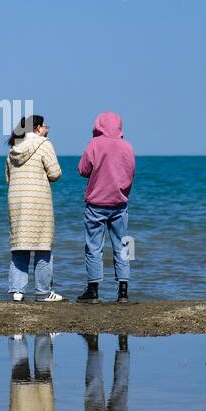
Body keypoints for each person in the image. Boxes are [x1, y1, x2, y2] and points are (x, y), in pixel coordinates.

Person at [76, 111, 135, 303]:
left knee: (93, 247)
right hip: (119, 203)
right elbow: (130, 172)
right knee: (124, 245)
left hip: (96, 204)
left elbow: (83, 170)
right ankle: (123, 291)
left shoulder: (94, 145)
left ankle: (93, 290)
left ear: (98, 126)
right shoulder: (127, 146)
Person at [5, 114, 64, 301]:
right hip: (38, 203)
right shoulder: (44, 144)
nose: (47, 130)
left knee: (19, 247)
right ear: (38, 128)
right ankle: (43, 292)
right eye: (45, 126)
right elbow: (55, 173)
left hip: (16, 202)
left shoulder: (13, 150)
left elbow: (8, 179)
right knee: (42, 246)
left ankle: (17, 292)